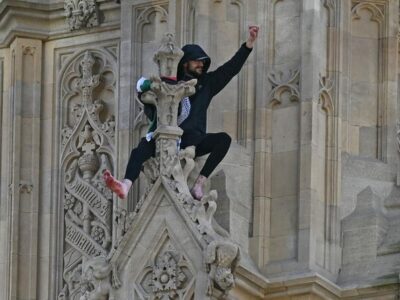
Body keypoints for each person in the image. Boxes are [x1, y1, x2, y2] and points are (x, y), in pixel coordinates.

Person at [104, 25, 259, 200]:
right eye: (197, 61)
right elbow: (146, 95)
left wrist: (248, 45)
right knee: (140, 150)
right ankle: (125, 185)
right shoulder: (169, 84)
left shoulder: (206, 84)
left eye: (203, 62)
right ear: (185, 63)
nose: (202, 64)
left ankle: (199, 184)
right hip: (167, 136)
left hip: (193, 138)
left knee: (223, 140)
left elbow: (229, 69)